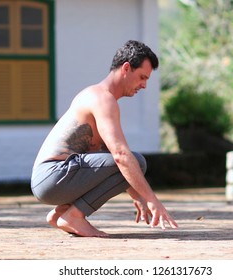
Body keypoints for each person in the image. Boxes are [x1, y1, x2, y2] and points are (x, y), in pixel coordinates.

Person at [31, 40, 178, 237]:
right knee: (136, 161)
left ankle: (62, 213)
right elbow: (120, 156)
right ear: (126, 68)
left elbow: (103, 157)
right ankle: (74, 216)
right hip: (53, 176)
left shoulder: (97, 96)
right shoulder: (102, 99)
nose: (144, 85)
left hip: (50, 181)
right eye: (142, 77)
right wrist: (151, 199)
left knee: (129, 163)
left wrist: (137, 194)